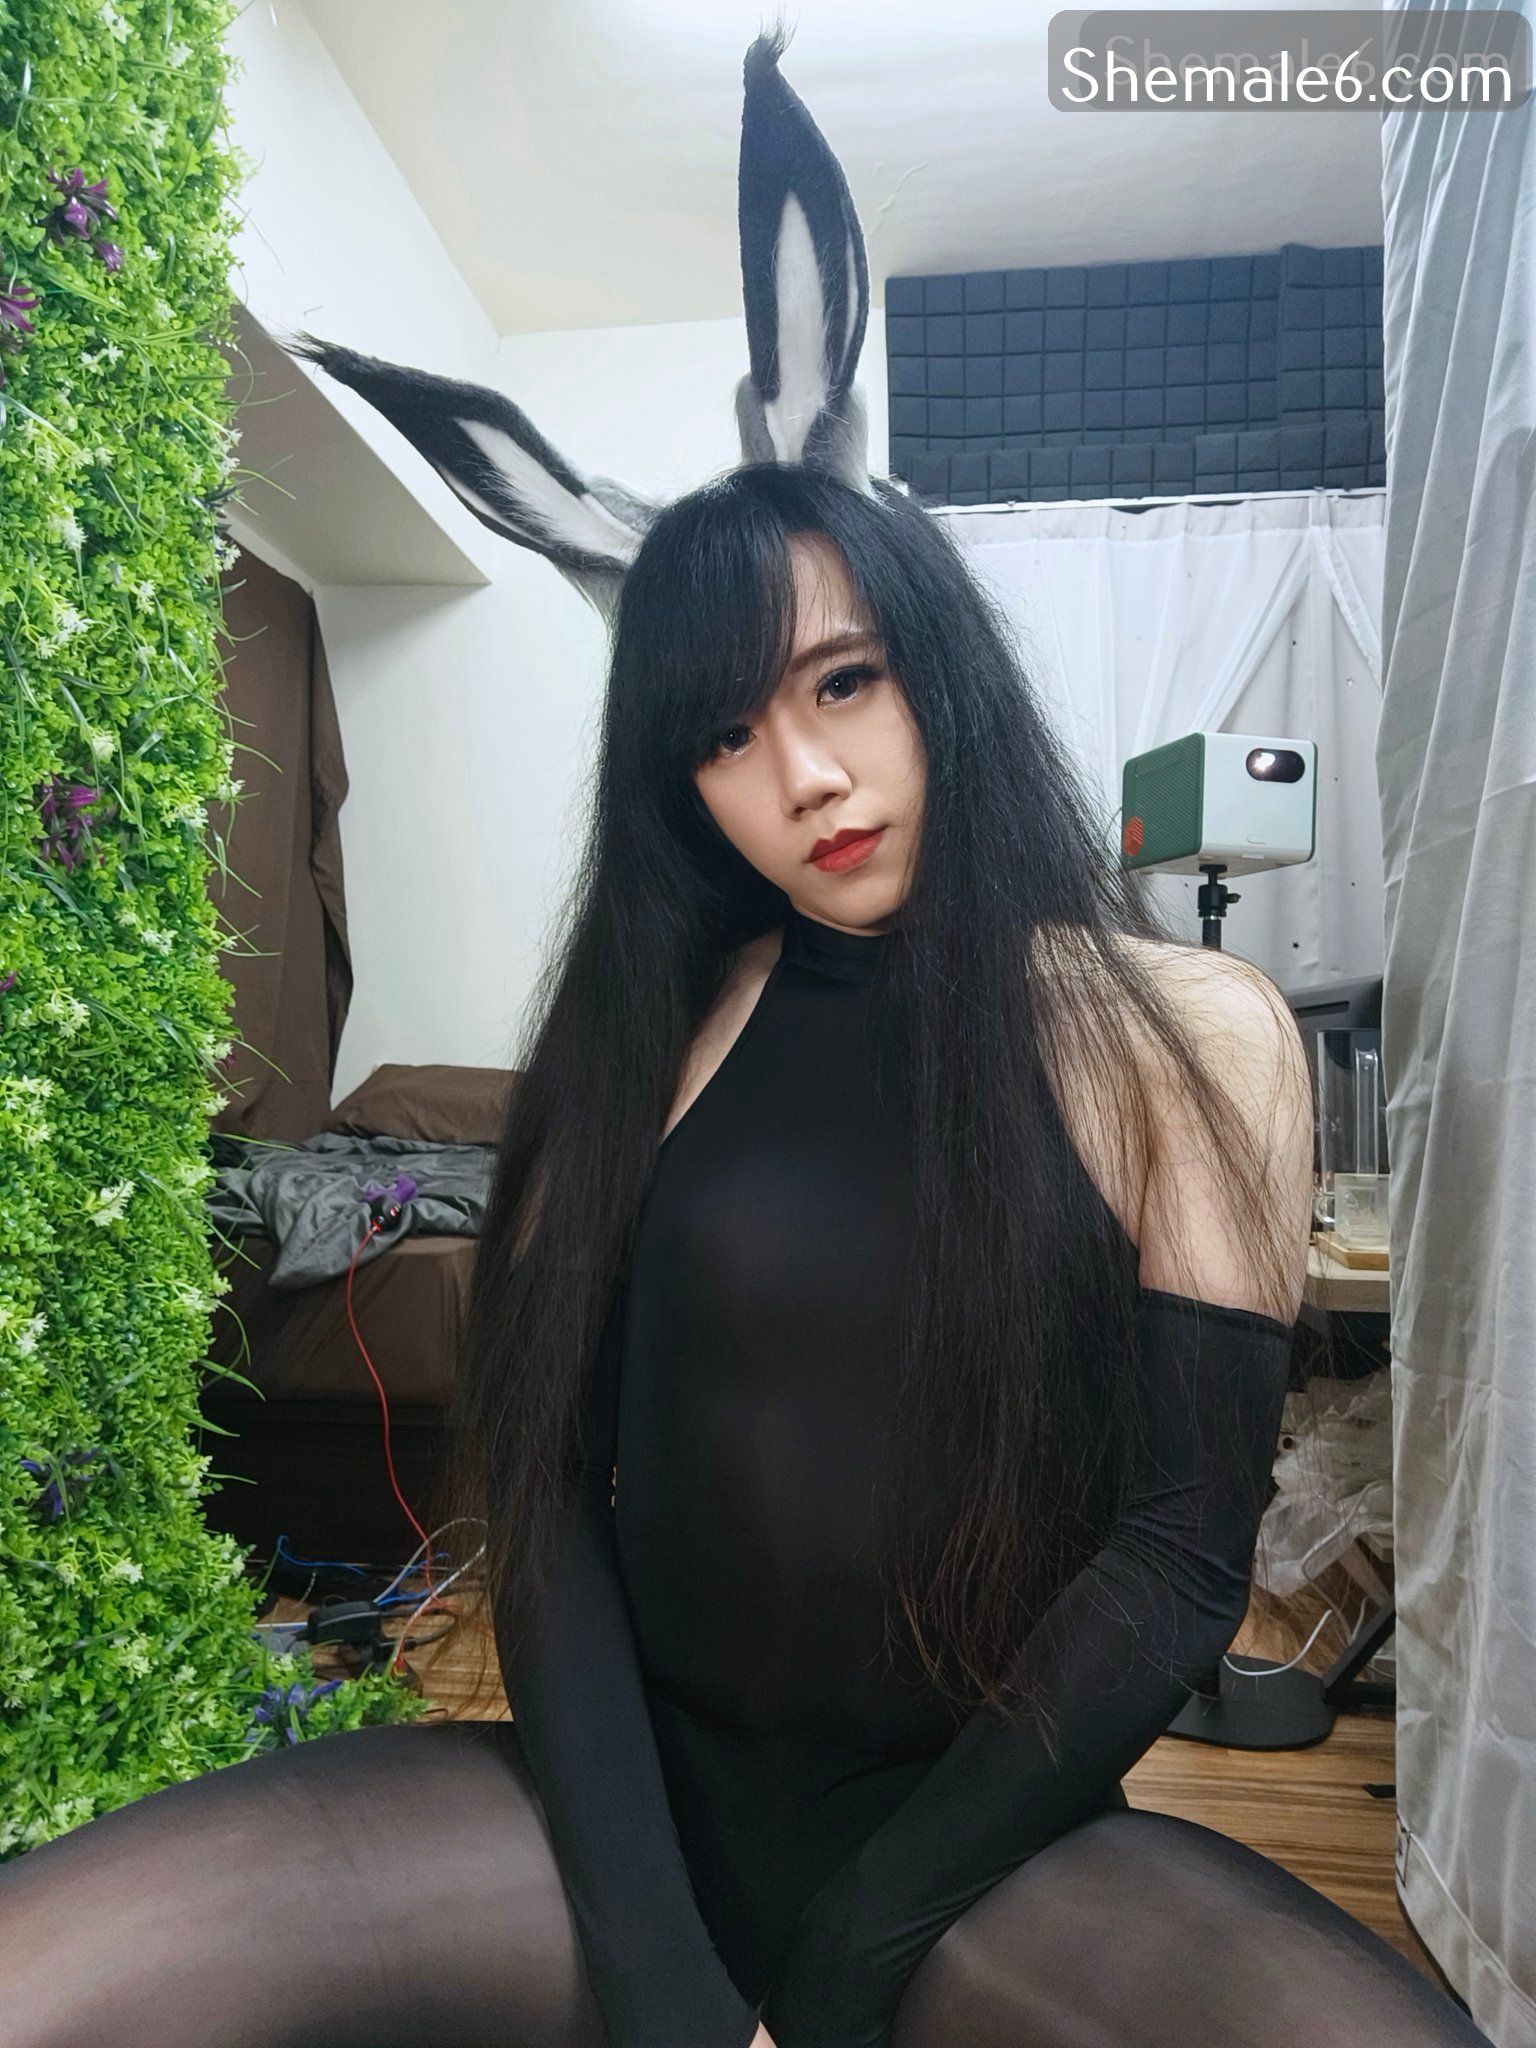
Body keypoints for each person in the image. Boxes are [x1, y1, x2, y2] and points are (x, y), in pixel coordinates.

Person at [0, 463, 1490, 2048]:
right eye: (723, 735)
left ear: (942, 669)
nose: (806, 779)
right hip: (624, 1822)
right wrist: (664, 1988)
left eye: (845, 682)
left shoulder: (1183, 1036)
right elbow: (548, 1505)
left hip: (976, 1849)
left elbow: (1179, 1559)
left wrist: (848, 1967)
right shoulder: (644, 1034)